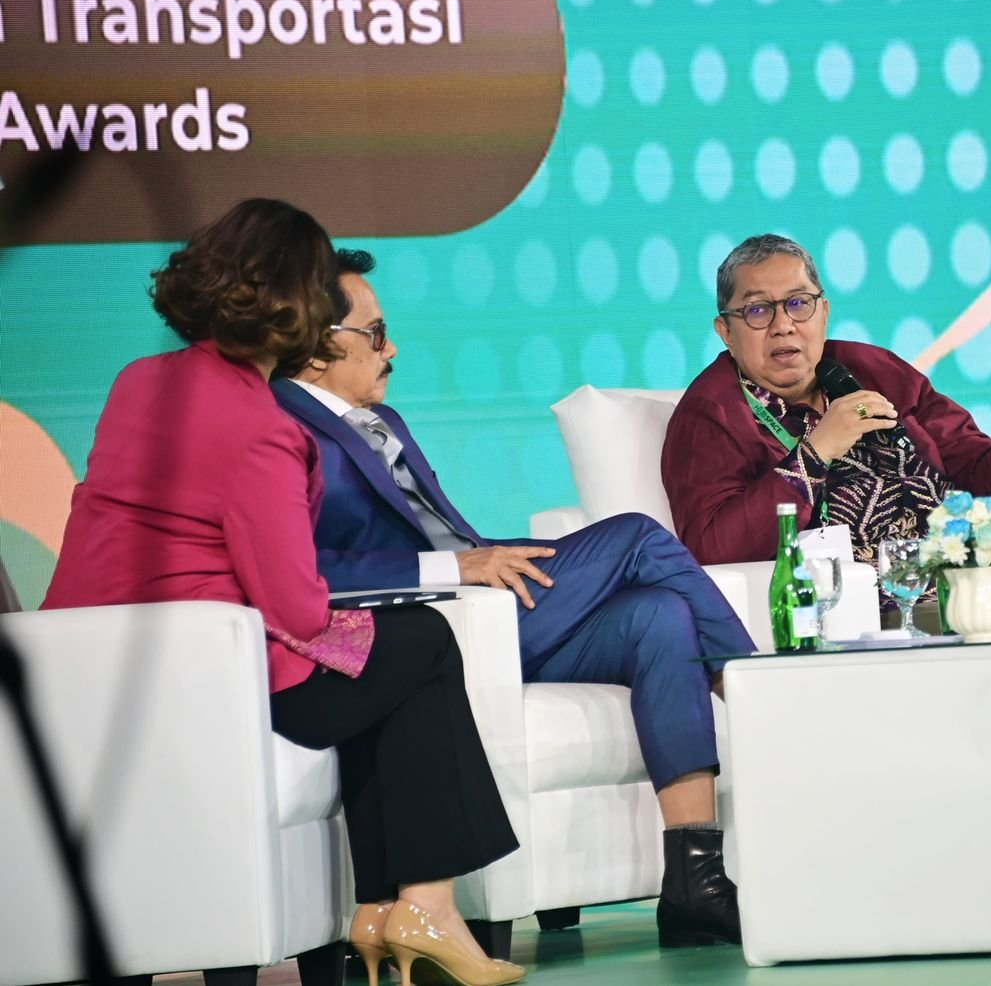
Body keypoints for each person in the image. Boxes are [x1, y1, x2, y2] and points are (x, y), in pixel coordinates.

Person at [41, 200, 523, 986]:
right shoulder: (262, 427)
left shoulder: (140, 379)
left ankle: (392, 913)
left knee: (389, 661)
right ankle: (414, 909)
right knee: (423, 643)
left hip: (87, 661)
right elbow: (296, 608)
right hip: (206, 678)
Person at [271, 250, 753, 949]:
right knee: (639, 537)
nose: (392, 349)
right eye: (376, 334)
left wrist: (482, 554)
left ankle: (694, 884)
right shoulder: (280, 426)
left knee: (661, 616)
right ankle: (756, 693)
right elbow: (300, 568)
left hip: (489, 608)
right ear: (319, 347)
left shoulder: (383, 419)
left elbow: (451, 533)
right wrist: (455, 566)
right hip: (431, 632)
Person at [661, 233, 991, 632]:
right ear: (726, 332)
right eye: (757, 310)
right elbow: (713, 548)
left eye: (798, 303)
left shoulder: (874, 371)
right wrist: (815, 453)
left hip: (964, 572)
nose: (783, 325)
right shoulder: (713, 414)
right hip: (867, 609)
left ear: (823, 312)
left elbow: (976, 482)